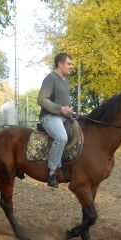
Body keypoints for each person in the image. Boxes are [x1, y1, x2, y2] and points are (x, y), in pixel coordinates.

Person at [37, 53, 74, 188]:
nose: (72, 67)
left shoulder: (66, 81)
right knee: (61, 137)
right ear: (60, 64)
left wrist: (70, 111)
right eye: (69, 64)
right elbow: (41, 100)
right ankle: (53, 172)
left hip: (64, 118)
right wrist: (61, 109)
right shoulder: (50, 78)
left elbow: (63, 104)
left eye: (72, 64)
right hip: (50, 117)